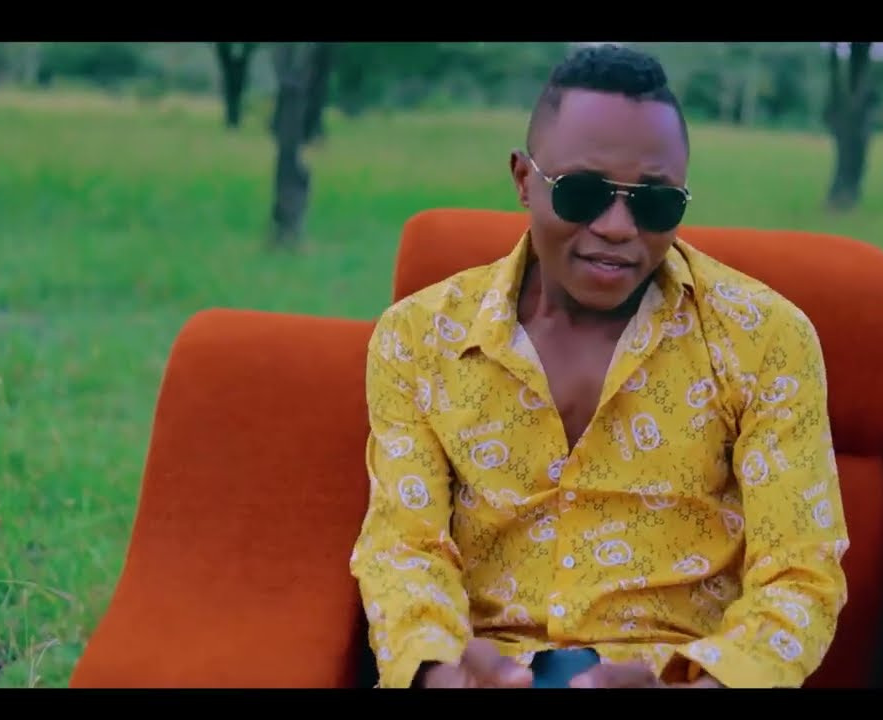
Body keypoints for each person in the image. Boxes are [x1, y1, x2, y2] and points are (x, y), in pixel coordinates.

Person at [349, 43, 849, 690]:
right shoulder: (418, 339)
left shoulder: (765, 339)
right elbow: (403, 550)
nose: (617, 226)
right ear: (524, 179)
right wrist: (442, 675)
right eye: (583, 193)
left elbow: (801, 575)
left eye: (655, 203)